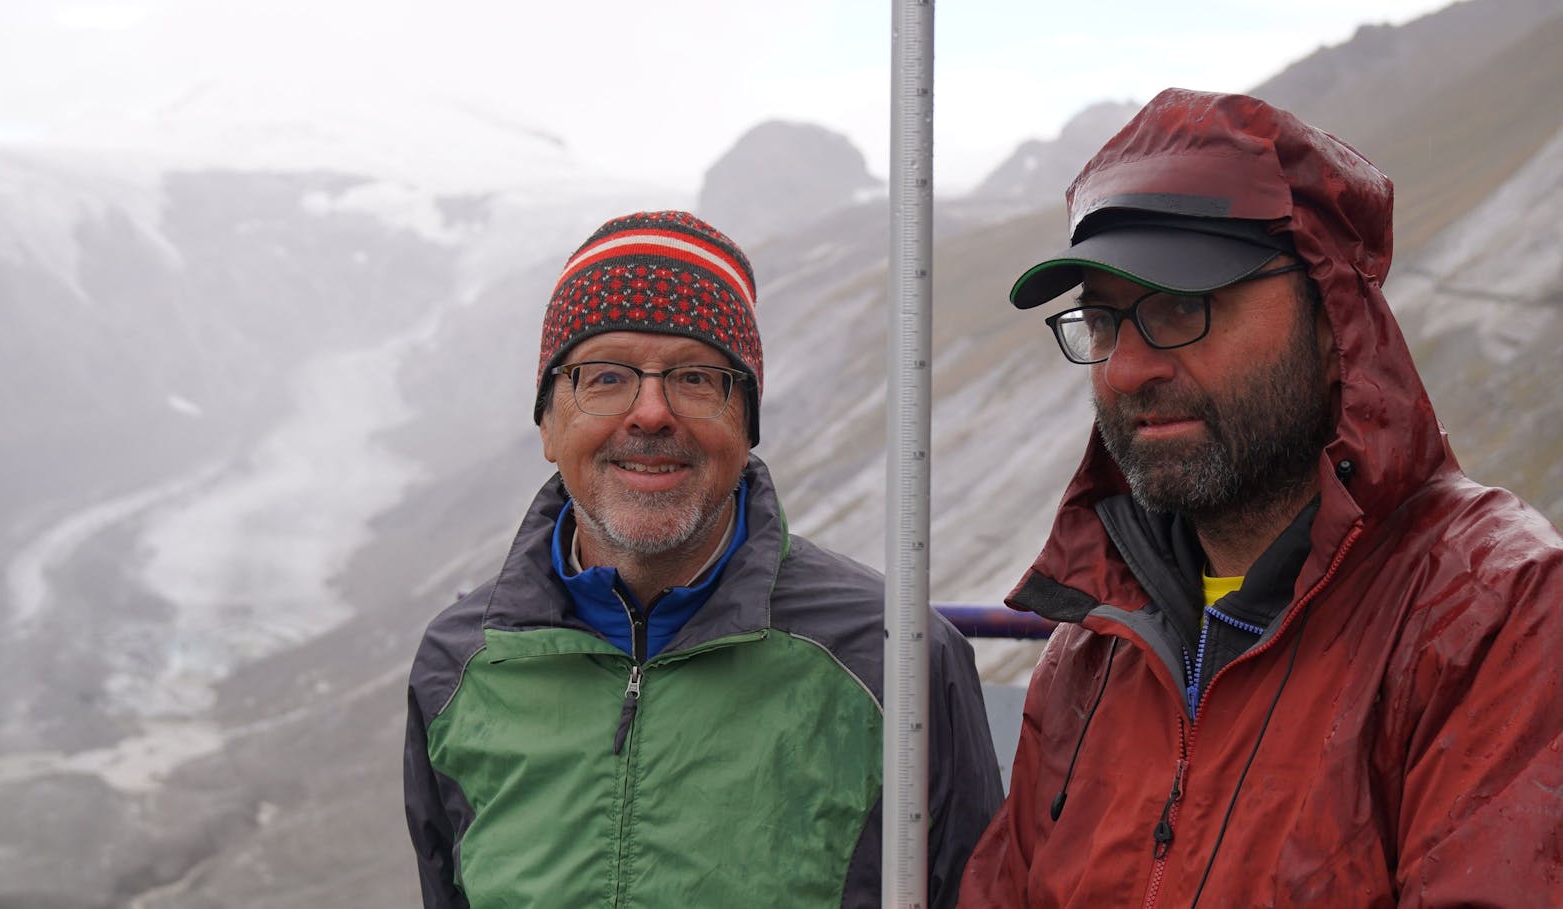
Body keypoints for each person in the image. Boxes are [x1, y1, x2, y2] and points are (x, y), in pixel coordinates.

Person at [958, 89, 1563, 907]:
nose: (1128, 370)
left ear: (1331, 321)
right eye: (1103, 322)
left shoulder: (1491, 613)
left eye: (1181, 307)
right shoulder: (1091, 652)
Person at [404, 210, 1002, 908]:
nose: (652, 413)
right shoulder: (460, 666)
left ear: (745, 423)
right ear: (548, 422)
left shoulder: (896, 659)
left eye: (695, 378)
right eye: (605, 377)